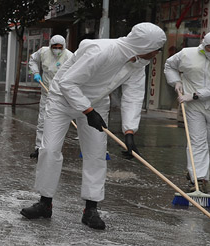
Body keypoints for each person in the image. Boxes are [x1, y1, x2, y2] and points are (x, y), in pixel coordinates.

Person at [21, 22, 167, 230]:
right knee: (50, 149)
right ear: (144, 46)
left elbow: (133, 94)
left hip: (97, 101)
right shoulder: (101, 51)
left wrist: (129, 131)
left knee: (96, 154)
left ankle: (91, 209)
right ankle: (45, 203)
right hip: (62, 99)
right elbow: (68, 83)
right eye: (156, 50)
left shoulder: (139, 61)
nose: (157, 54)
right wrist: (87, 111)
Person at [164, 31, 210, 193]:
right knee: (197, 141)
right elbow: (169, 65)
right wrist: (176, 81)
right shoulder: (186, 54)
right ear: (203, 45)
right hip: (193, 107)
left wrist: (195, 95)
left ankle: (194, 172)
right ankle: (199, 179)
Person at [28, 35, 74, 158]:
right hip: (46, 92)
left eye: (60, 47)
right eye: (55, 47)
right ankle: (39, 147)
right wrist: (36, 72)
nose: (57, 50)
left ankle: (53, 148)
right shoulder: (43, 52)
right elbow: (32, 60)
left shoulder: (69, 56)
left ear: (63, 47)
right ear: (50, 46)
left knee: (59, 123)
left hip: (61, 95)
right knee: (42, 120)